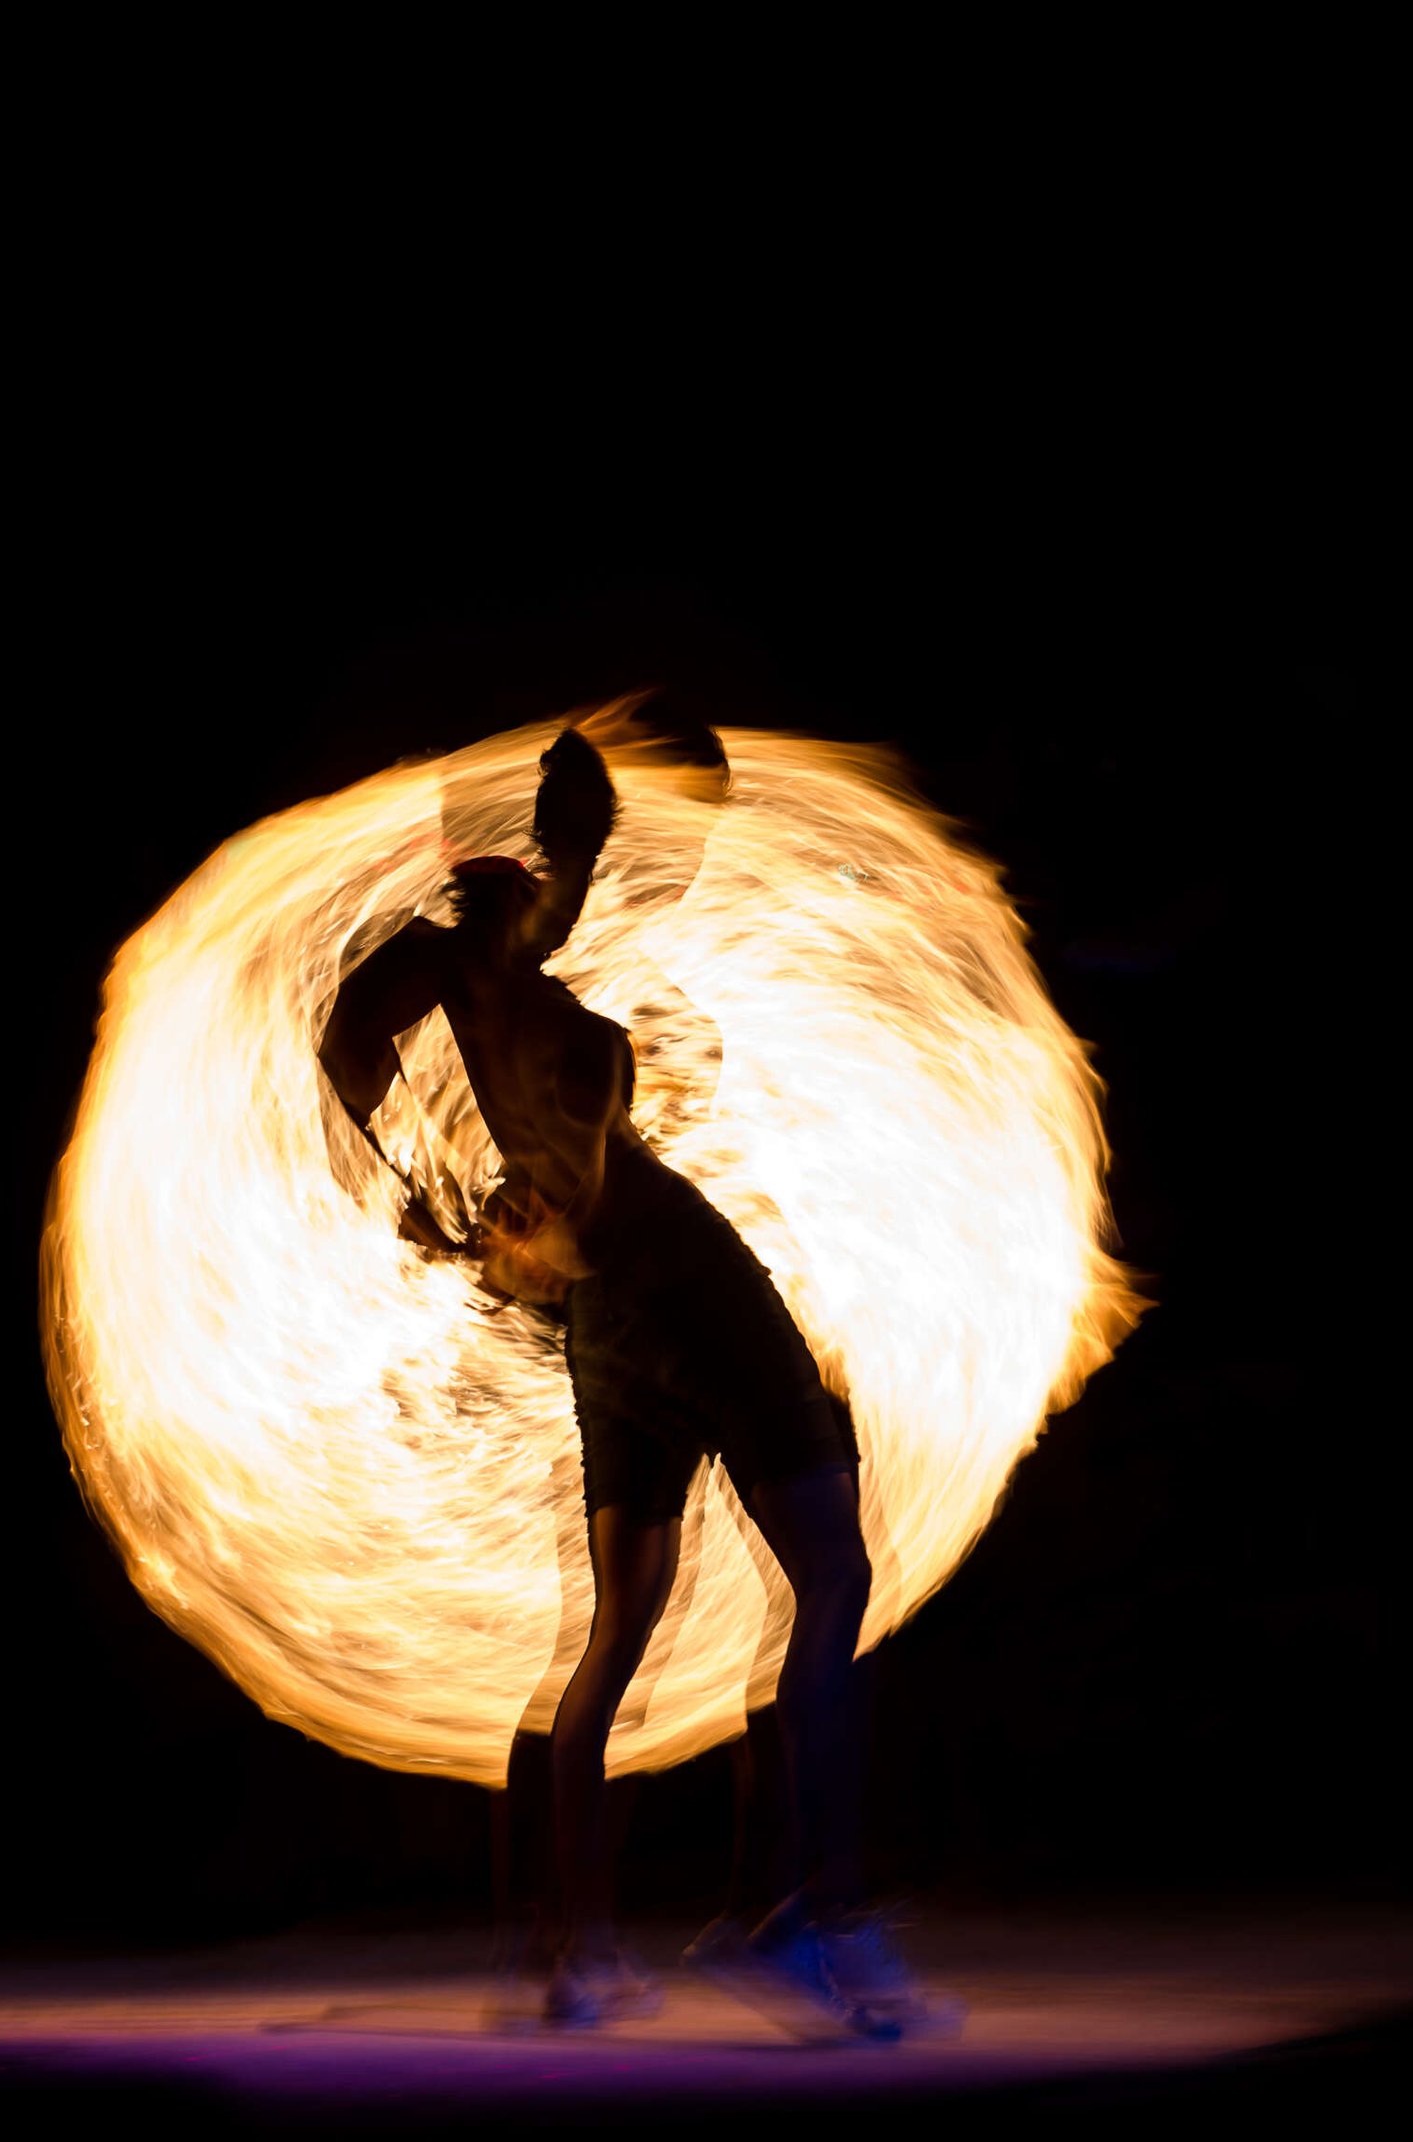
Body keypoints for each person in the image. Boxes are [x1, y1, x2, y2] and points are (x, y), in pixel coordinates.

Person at [319, 715, 907, 2036]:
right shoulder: (528, 992)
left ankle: (572, 1955)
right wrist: (471, 1210)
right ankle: (804, 1917)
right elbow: (571, 1164)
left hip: (603, 1323)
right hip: (683, 1286)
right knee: (833, 1576)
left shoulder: (451, 979)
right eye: (549, 853)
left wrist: (425, 1188)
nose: (565, 880)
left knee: (618, 1632)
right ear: (508, 872)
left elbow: (351, 1040)